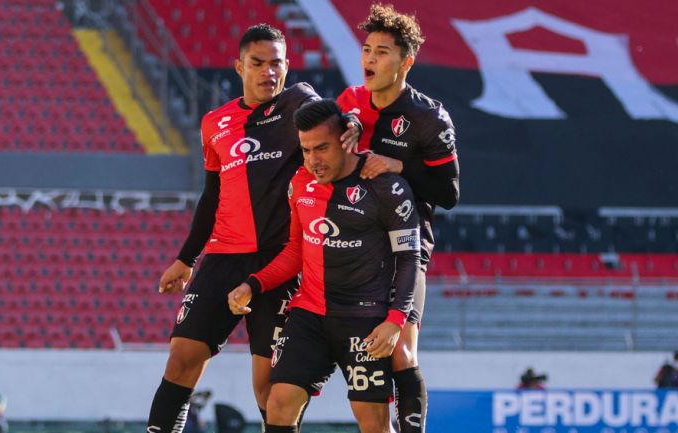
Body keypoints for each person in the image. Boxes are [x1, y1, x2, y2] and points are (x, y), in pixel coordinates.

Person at [147, 24, 361, 433]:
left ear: (287, 66)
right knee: (181, 360)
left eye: (276, 63)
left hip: (278, 265)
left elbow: (334, 119)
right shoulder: (215, 123)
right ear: (238, 66)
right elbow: (212, 195)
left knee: (268, 389)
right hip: (223, 258)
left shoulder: (299, 102)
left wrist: (350, 121)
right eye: (258, 63)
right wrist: (185, 258)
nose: (268, 72)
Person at [228, 99, 422, 433]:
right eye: (305, 150)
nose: (313, 161)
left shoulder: (387, 188)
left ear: (346, 140)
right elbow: (295, 250)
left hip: (365, 322)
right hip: (310, 316)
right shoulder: (300, 183)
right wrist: (253, 283)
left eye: (322, 148)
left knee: (374, 423)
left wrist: (394, 321)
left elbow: (409, 259)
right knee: (279, 402)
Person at [336, 4, 460, 432]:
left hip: (404, 246)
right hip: (347, 244)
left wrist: (398, 165)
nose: (370, 59)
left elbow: (449, 192)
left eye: (382, 52)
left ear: (406, 61)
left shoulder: (429, 117)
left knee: (401, 352)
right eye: (367, 49)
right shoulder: (350, 100)